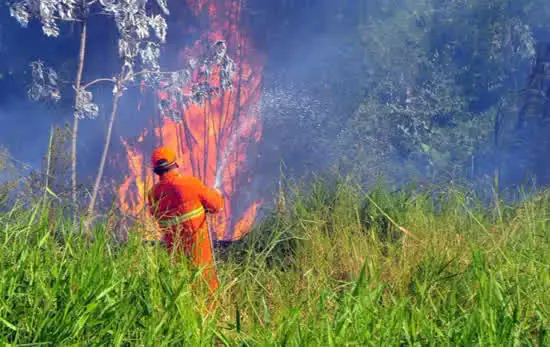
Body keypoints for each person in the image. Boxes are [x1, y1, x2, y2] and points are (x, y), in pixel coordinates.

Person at [147, 146, 224, 293]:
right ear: (175, 164)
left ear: (156, 171)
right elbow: (216, 206)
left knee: (182, 289)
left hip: (175, 252)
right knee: (206, 287)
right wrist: (216, 193)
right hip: (199, 250)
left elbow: (155, 214)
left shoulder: (152, 194)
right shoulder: (190, 184)